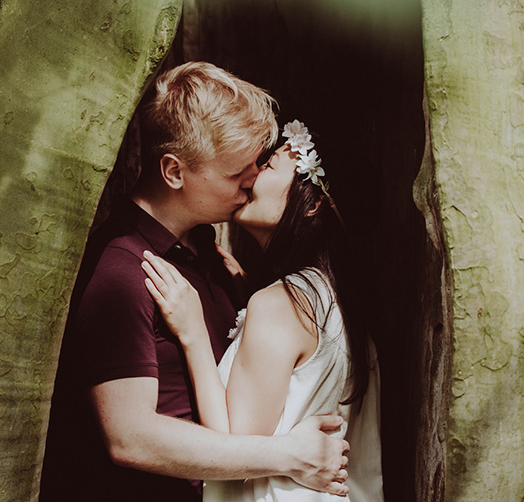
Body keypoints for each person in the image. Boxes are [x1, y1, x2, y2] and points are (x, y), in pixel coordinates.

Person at [40, 64, 352, 501]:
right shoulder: (122, 270)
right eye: (235, 173)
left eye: (257, 164)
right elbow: (130, 438)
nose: (252, 180)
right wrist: (289, 456)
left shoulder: (211, 255)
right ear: (174, 172)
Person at [142, 120, 384, 501]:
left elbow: (231, 447)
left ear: (312, 204)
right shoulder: (335, 303)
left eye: (269, 165)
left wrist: (193, 332)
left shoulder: (283, 304)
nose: (252, 175)